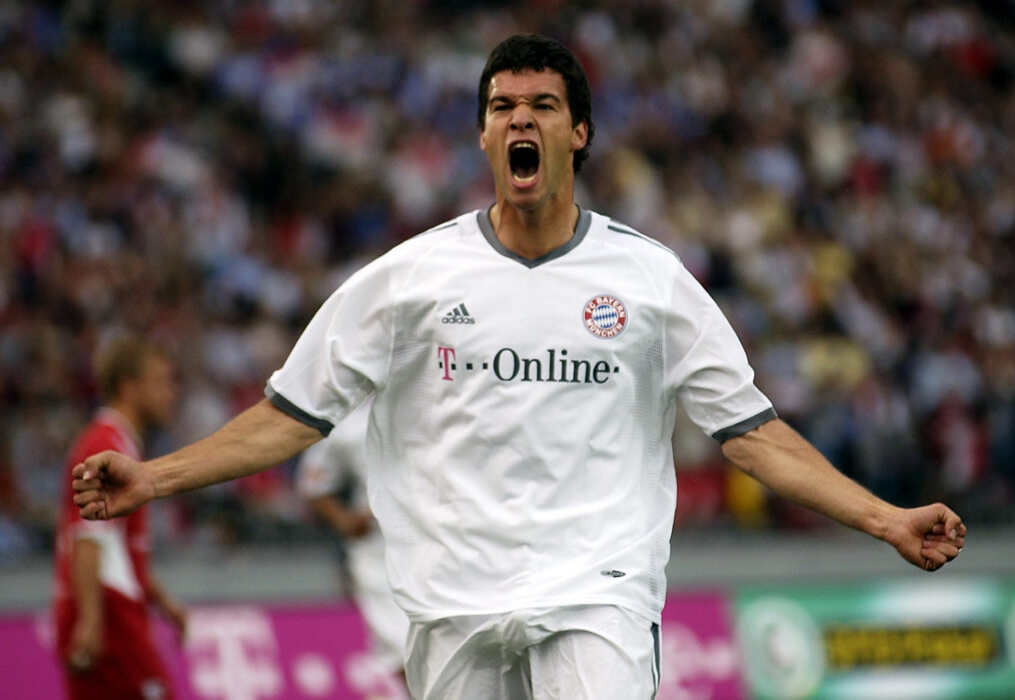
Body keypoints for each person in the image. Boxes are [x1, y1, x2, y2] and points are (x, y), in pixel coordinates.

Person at [72, 34, 965, 699]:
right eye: (502, 108)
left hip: (596, 592)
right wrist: (155, 477)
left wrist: (883, 518)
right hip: (453, 598)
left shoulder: (648, 280)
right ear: (484, 138)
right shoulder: (409, 280)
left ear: (577, 133)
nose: (520, 120)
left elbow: (753, 436)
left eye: (540, 105)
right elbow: (289, 416)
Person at [54, 336, 187, 699]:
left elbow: (120, 545)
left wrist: (162, 601)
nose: (171, 392)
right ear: (128, 387)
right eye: (161, 381)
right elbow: (87, 538)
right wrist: (91, 621)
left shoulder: (118, 442)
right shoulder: (105, 445)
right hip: (109, 614)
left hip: (109, 610)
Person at [295, 399, 410, 696]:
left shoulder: (429, 402)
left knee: (439, 651)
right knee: (402, 654)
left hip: (437, 545)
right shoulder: (350, 422)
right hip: (378, 555)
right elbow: (312, 483)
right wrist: (344, 521)